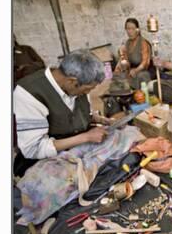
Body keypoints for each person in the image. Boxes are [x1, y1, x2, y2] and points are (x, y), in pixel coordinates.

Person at [13, 49, 110, 178]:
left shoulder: (75, 86)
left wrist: (99, 119)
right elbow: (33, 149)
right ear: (71, 81)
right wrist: (86, 137)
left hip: (75, 152)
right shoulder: (28, 94)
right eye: (87, 89)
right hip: (42, 164)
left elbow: (73, 115)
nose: (87, 93)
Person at [114, 18, 154, 90]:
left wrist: (135, 70)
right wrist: (122, 66)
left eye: (132, 29)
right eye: (128, 29)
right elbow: (127, 61)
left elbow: (145, 63)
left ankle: (137, 94)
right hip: (133, 70)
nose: (129, 31)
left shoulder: (143, 42)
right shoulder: (127, 43)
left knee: (139, 76)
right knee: (118, 76)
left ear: (137, 30)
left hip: (145, 71)